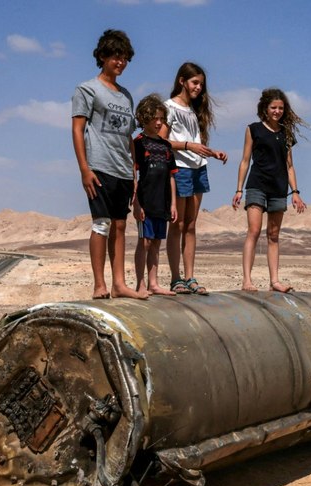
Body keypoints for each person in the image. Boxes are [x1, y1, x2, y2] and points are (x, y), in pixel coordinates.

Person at [71, 29, 144, 300]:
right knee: (101, 223)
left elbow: (128, 137)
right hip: (99, 167)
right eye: (115, 56)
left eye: (125, 58)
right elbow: (78, 129)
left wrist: (134, 172)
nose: (120, 62)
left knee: (121, 226)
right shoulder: (87, 89)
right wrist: (84, 169)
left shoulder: (126, 96)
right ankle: (99, 285)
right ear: (102, 56)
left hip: (123, 169)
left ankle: (119, 284)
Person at [231, 88, 309, 293]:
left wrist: (296, 192)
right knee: (254, 231)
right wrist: (239, 189)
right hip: (257, 185)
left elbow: (289, 165)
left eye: (281, 108)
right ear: (265, 109)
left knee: (273, 235)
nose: (277, 111)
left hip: (279, 188)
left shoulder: (286, 133)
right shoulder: (253, 129)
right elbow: (245, 160)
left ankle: (274, 281)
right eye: (273, 107)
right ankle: (247, 280)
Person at [162, 62, 228, 296]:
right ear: (182, 81)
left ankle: (190, 276)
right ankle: (175, 277)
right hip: (179, 168)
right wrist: (189, 145)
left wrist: (212, 152)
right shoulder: (168, 107)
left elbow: (196, 143)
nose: (199, 88)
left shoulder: (196, 111)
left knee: (191, 224)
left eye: (201, 84)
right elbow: (163, 141)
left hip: (199, 167)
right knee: (177, 225)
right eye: (195, 83)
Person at [131, 94, 178, 296]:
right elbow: (133, 173)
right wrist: (136, 203)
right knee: (145, 242)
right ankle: (140, 283)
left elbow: (171, 177)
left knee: (157, 242)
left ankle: (154, 283)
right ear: (144, 118)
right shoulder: (138, 143)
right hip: (145, 200)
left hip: (163, 201)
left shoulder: (166, 146)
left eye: (161, 118)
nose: (159, 123)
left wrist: (174, 204)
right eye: (154, 118)